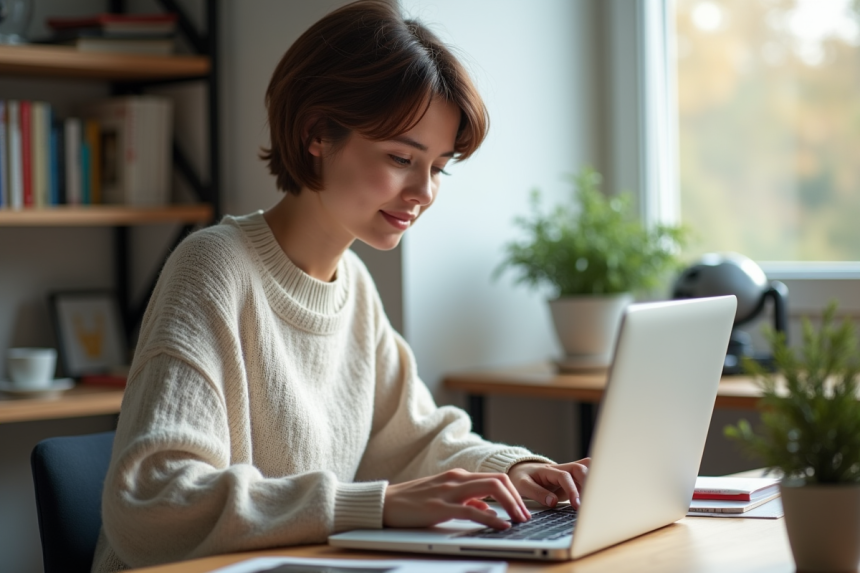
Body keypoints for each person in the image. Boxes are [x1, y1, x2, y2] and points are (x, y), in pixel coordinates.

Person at [92, 2, 589, 571]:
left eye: (438, 167)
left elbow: (415, 440)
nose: (424, 192)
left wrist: (516, 471)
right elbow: (151, 501)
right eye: (401, 157)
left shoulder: (352, 284)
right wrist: (374, 506)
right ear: (316, 135)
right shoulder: (214, 268)